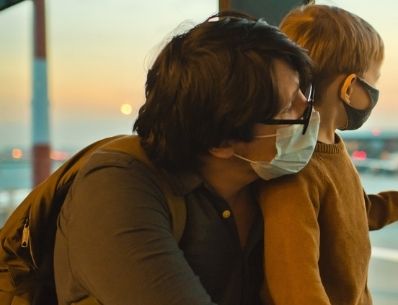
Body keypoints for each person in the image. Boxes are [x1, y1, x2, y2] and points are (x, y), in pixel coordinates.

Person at [53, 12, 316, 305]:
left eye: (304, 95)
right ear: (222, 140)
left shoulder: (266, 183)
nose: (308, 112)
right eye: (288, 107)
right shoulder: (116, 188)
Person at [258, 5, 398, 305]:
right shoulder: (295, 173)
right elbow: (297, 288)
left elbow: (356, 215)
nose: (376, 91)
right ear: (349, 87)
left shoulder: (332, 148)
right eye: (375, 79)